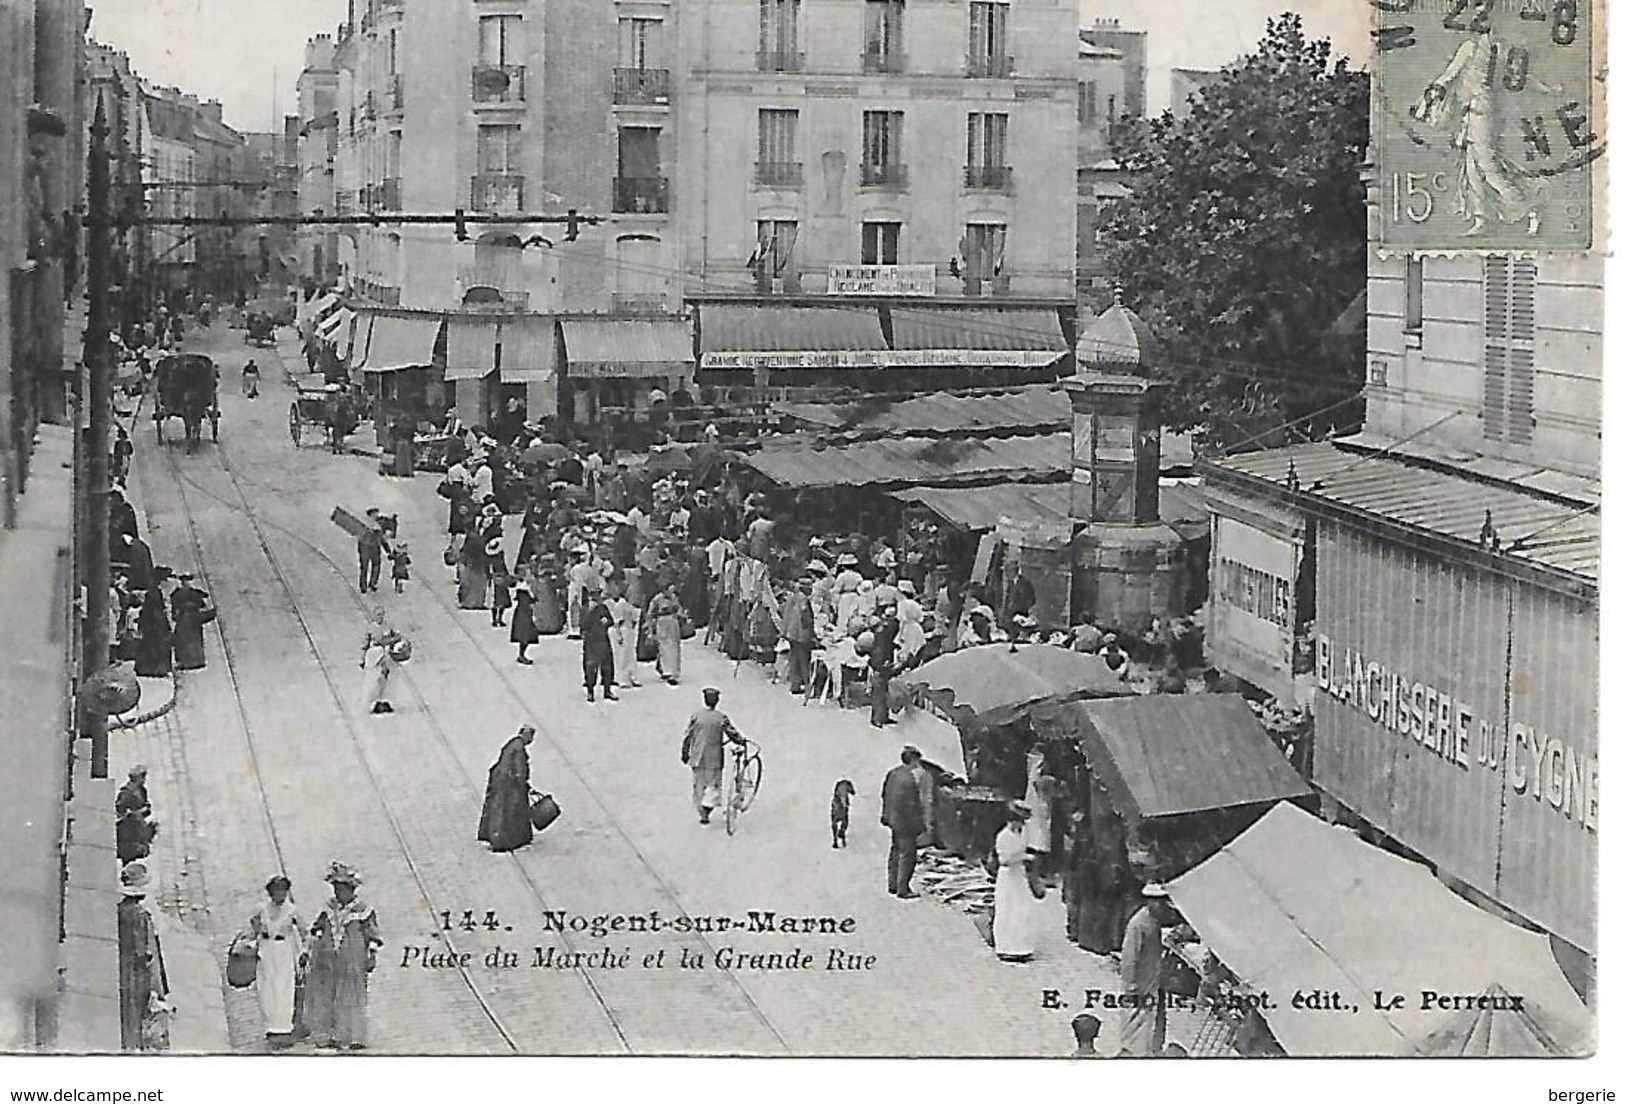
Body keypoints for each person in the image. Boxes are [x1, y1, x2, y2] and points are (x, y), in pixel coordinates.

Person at [305, 862, 383, 1050]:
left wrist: (372, 955)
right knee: (329, 994)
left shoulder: (363, 910)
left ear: (352, 890)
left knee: (352, 995)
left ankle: (354, 1035)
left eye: (342, 889)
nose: (339, 893)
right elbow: (316, 928)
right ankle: (332, 1034)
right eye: (336, 889)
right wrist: (311, 948)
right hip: (329, 959)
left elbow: (372, 935)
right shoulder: (328, 908)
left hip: (353, 959)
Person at [1118, 883, 1177, 1056]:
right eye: (1157, 902)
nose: (1160, 905)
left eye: (1163, 902)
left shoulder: (1155, 920)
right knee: (1136, 1022)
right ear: (1148, 901)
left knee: (1154, 1020)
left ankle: (1152, 1050)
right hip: (1139, 983)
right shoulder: (1138, 924)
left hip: (1153, 980)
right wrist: (1131, 985)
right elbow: (1129, 957)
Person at [248, 874, 306, 1048]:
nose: (279, 896)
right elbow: (253, 925)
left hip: (283, 951)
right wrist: (255, 937)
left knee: (284, 987)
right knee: (266, 987)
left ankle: (284, 1027)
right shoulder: (261, 908)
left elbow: (304, 931)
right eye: (276, 892)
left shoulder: (292, 910)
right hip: (266, 949)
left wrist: (304, 951)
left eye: (282, 892)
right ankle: (270, 1026)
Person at [117, 861, 168, 1051]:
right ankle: (136, 1044)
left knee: (129, 1005)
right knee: (138, 1006)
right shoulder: (140, 915)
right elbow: (144, 951)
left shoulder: (122, 909)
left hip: (126, 963)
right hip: (138, 971)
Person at [681, 687, 744, 825]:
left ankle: (701, 810)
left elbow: (688, 735)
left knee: (699, 783)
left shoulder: (696, 716)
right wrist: (741, 740)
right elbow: (732, 733)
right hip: (714, 756)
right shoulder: (721, 717)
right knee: (713, 784)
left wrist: (685, 752)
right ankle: (707, 808)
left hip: (697, 755)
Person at [477, 725, 536, 852]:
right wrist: (523, 783)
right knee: (511, 811)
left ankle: (493, 835)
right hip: (509, 785)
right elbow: (520, 769)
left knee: (499, 809)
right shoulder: (519, 748)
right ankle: (509, 840)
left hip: (500, 780)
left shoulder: (512, 743)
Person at [992, 801, 1038, 962]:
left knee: (1022, 909)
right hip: (1008, 876)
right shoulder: (1003, 837)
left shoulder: (1022, 833)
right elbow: (1004, 860)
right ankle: (1006, 947)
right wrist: (1023, 857)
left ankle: (1021, 947)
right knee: (1007, 910)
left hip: (1019, 875)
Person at [880, 747, 926, 898]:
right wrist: (919, 825)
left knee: (895, 851)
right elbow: (911, 805)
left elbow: (884, 794)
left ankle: (892, 884)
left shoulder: (893, 773)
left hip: (893, 820)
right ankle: (903, 889)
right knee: (907, 855)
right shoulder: (908, 780)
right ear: (913, 760)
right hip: (905, 823)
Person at [358, 607, 399, 715]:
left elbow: (397, 636)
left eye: (381, 614)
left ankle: (385, 701)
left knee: (387, 679)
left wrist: (391, 641)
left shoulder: (388, 626)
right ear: (373, 616)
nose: (380, 617)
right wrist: (362, 659)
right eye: (377, 614)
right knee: (373, 679)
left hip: (386, 653)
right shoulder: (370, 628)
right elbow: (365, 644)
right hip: (374, 654)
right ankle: (374, 702)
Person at [168, 573, 213, 671]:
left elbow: (174, 612)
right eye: (185, 581)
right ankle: (194, 661)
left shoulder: (180, 593)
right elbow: (202, 606)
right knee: (189, 640)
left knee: (187, 640)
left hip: (187, 619)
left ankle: (190, 661)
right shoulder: (185, 594)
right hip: (190, 619)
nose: (186, 583)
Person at [581, 586, 617, 701]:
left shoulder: (603, 608)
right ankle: (590, 692)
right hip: (591, 641)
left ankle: (607, 690)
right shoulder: (586, 609)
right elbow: (583, 625)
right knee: (591, 667)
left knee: (607, 666)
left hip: (603, 639)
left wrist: (607, 622)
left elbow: (611, 620)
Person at [781, 578, 816, 694]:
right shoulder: (803, 599)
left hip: (791, 632)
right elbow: (805, 617)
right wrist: (812, 632)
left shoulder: (792, 597)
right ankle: (807, 685)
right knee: (804, 660)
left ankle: (794, 685)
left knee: (794, 659)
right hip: (801, 633)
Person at [868, 607, 899, 729]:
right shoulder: (883, 632)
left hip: (883, 662)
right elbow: (879, 651)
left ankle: (883, 716)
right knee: (879, 691)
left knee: (883, 690)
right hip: (880, 663)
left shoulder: (883, 629)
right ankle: (877, 718)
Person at [133, 591, 174, 678]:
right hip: (157, 639)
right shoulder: (159, 612)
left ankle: (145, 669)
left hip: (147, 638)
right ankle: (159, 670)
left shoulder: (143, 611)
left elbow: (140, 626)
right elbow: (164, 628)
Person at [650, 583, 683, 685]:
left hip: (673, 622)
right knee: (664, 647)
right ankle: (666, 670)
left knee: (674, 647)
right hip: (662, 622)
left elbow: (679, 608)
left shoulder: (674, 598)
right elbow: (651, 613)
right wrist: (652, 628)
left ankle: (674, 671)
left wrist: (679, 614)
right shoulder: (657, 599)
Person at [608, 583, 640, 687]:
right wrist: (619, 635)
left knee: (631, 655)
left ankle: (632, 676)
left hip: (630, 631)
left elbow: (635, 619)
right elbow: (617, 622)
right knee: (623, 656)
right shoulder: (621, 605)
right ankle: (622, 679)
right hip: (623, 630)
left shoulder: (630, 605)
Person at [357, 508, 386, 594]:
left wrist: (386, 547)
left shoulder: (378, 524)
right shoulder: (365, 524)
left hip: (374, 548)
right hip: (365, 547)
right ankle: (364, 586)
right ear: (371, 515)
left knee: (376, 566)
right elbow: (360, 536)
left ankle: (372, 583)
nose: (376, 516)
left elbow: (381, 538)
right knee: (365, 567)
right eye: (375, 514)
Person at [510, 581, 540, 664]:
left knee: (525, 634)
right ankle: (521, 655)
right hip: (524, 613)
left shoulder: (524, 588)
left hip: (524, 612)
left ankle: (521, 654)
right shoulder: (523, 589)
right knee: (524, 634)